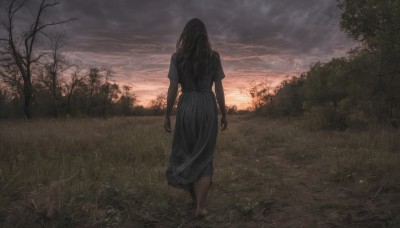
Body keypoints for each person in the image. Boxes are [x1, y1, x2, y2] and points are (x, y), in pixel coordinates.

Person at [164, 18, 227, 219]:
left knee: (185, 152)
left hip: (186, 107)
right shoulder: (213, 57)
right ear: (204, 35)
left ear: (186, 35)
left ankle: (196, 200)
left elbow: (173, 88)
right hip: (208, 107)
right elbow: (219, 89)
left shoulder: (177, 57)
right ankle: (200, 206)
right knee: (204, 155)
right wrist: (224, 113)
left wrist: (167, 115)